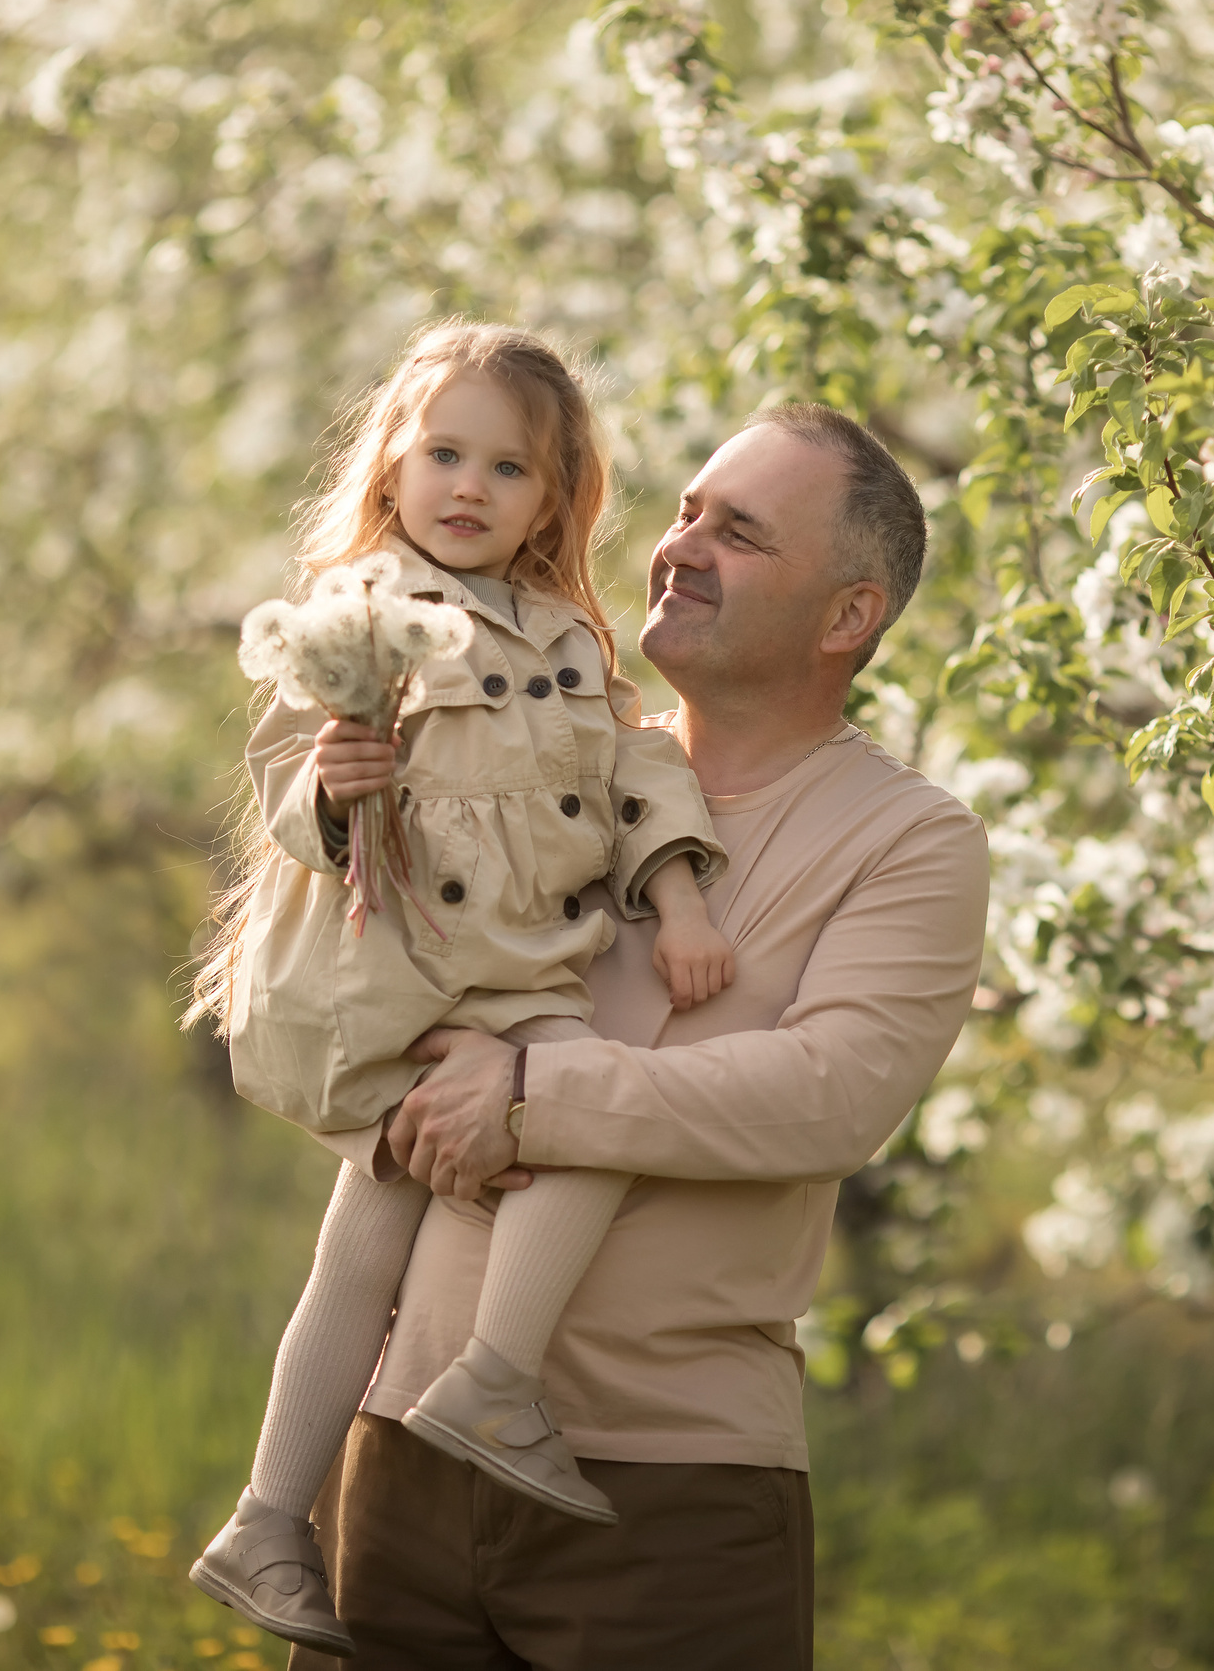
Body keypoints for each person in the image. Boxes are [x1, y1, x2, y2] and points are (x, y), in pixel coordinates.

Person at [290, 404, 991, 1669]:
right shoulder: (537, 749)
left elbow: (825, 1097)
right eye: (684, 513)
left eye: (739, 533)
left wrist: (522, 1094)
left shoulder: (910, 840)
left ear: (848, 615)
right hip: (398, 1454)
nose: (680, 548)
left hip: (667, 1492)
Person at [181, 323, 736, 1658]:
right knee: (591, 1106)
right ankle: (493, 1377)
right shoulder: (358, 610)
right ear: (392, 460)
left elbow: (636, 770)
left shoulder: (560, 633)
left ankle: (267, 1517)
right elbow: (284, 787)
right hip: (405, 974)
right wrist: (334, 783)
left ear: (557, 500)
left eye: (509, 467)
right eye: (443, 452)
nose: (469, 486)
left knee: (362, 1254)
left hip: (496, 977)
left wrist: (679, 894)